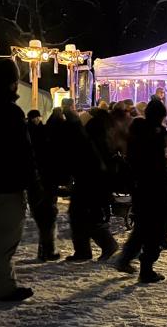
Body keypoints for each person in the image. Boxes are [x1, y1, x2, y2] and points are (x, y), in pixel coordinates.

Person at [0, 59, 36, 302]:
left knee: (0, 236)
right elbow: (23, 151)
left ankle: (1, 283)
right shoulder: (9, 112)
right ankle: (2, 287)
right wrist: (32, 181)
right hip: (7, 181)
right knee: (6, 238)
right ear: (13, 83)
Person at [114, 99, 167, 283]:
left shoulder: (138, 131)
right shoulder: (154, 133)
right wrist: (165, 163)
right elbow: (155, 162)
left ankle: (127, 259)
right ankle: (146, 267)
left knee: (143, 226)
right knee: (155, 226)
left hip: (140, 186)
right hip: (154, 186)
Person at [65, 107, 119, 263]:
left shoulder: (92, 133)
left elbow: (87, 157)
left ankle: (104, 245)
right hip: (94, 181)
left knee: (83, 214)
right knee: (84, 214)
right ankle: (85, 249)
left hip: (89, 180)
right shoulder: (103, 132)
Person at [27, 109, 60, 262]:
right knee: (47, 216)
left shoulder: (30, 132)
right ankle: (47, 250)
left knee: (44, 217)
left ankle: (46, 250)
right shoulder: (44, 134)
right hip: (44, 180)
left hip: (38, 180)